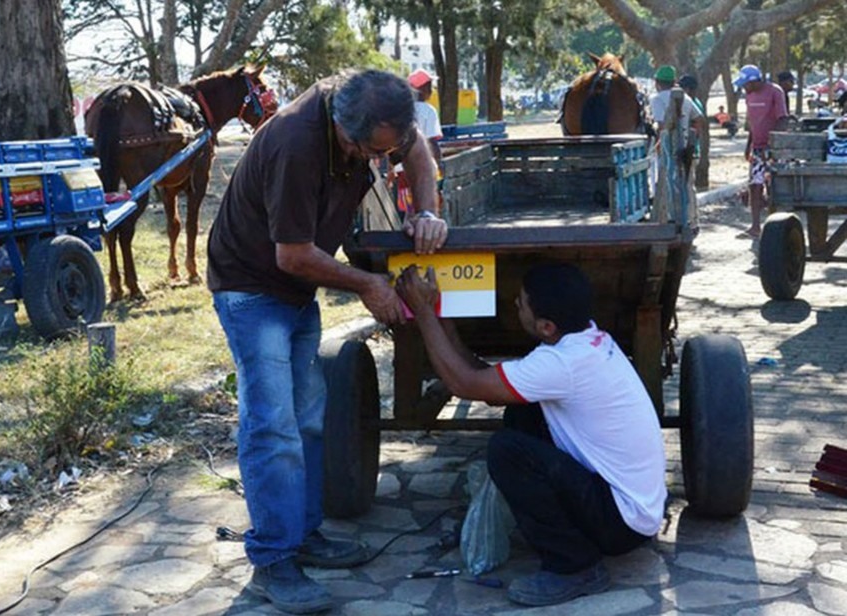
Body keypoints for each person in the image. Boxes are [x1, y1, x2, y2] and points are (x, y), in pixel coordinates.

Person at [207, 69, 448, 615]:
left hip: (295, 292)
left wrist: (427, 211)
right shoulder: (297, 143)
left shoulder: (380, 116)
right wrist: (367, 283)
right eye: (367, 152)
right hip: (251, 288)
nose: (374, 161)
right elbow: (290, 255)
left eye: (382, 151)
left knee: (310, 417)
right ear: (345, 129)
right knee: (273, 426)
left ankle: (304, 534)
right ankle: (273, 558)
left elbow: (418, 156)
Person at [395, 263, 666, 607]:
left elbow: (463, 383)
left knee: (507, 451)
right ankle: (563, 537)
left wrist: (421, 313)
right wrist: (439, 315)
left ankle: (575, 565)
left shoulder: (563, 365)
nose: (516, 306)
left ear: (546, 326)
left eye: (521, 303)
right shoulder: (588, 341)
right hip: (631, 510)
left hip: (622, 524)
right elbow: (486, 384)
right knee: (520, 411)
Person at [733, 64, 787, 239]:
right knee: (754, 186)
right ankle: (755, 226)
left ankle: (775, 227)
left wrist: (772, 146)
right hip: (757, 148)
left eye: (745, 84)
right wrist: (748, 145)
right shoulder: (749, 95)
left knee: (773, 188)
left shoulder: (774, 91)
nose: (744, 88)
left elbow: (782, 120)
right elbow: (752, 123)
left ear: (755, 81)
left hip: (773, 149)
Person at [393, 69, 443, 214]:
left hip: (402, 169)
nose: (432, 90)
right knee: (427, 209)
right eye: (430, 87)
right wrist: (439, 164)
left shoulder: (400, 111)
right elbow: (432, 141)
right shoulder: (429, 111)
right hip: (424, 168)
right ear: (423, 89)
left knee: (409, 209)